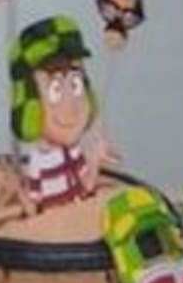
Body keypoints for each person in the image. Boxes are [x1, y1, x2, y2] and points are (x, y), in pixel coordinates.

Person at [8, 16, 112, 213]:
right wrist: (19, 192)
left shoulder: (75, 152)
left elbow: (86, 186)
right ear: (30, 105)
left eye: (76, 85)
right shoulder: (39, 162)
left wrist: (95, 159)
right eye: (55, 90)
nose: (70, 106)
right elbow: (34, 204)